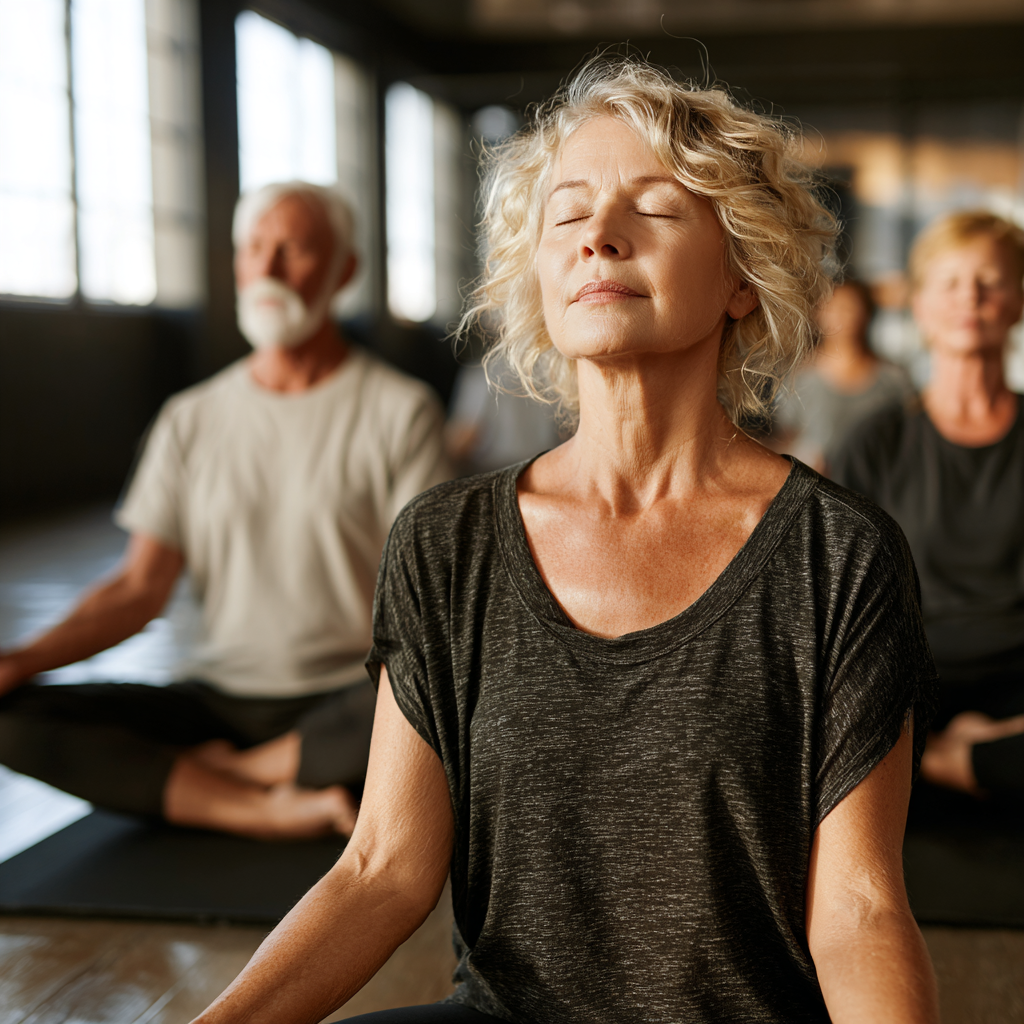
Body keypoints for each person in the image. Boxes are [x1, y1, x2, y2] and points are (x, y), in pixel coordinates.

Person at [192, 61, 939, 1024]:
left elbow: (861, 911)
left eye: (654, 210)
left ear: (743, 278)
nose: (598, 236)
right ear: (538, 277)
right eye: (568, 215)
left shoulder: (839, 556)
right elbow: (381, 869)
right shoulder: (446, 542)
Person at [0, 181, 451, 839]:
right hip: (215, 700)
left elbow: (426, 606)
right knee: (12, 717)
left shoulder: (400, 410)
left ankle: (239, 773)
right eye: (254, 248)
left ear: (343, 270)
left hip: (352, 701)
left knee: (445, 687)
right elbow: (137, 589)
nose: (267, 269)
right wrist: (19, 661)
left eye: (292, 249)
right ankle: (260, 801)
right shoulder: (190, 419)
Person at [833, 211, 1024, 800]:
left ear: (1017, 301)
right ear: (918, 305)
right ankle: (970, 755)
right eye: (950, 281)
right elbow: (840, 596)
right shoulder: (878, 439)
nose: (971, 295)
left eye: (990, 280)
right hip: (907, 687)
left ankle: (950, 760)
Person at [772, 279, 912, 474]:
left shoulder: (893, 379)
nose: (841, 318)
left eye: (849, 308)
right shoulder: (800, 378)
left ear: (866, 312)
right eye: (832, 309)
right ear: (818, 314)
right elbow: (786, 435)